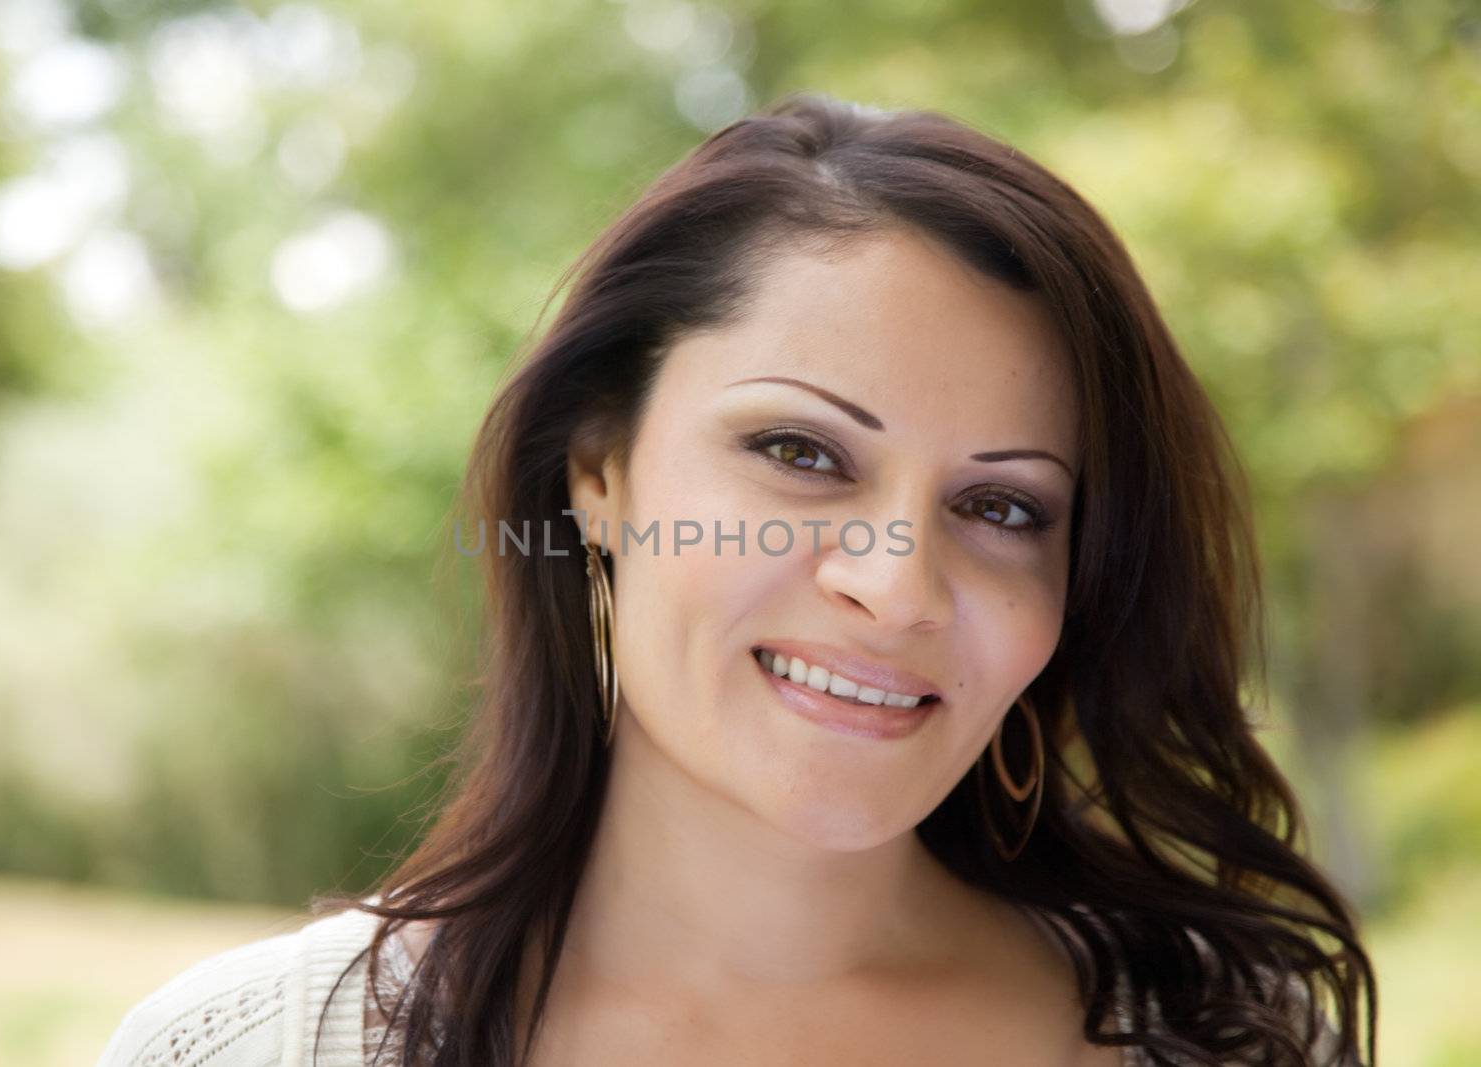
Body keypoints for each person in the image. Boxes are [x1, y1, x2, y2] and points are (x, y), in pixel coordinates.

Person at [97, 92, 1376, 1067]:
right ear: (599, 469)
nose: (896, 585)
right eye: (799, 452)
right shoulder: (259, 1045)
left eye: (1000, 506)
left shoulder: (1220, 1035)